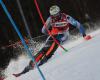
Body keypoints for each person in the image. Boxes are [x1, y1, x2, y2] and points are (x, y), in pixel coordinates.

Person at [13, 5, 91, 77]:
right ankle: (26, 70)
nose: (55, 17)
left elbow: (78, 25)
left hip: (63, 35)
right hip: (53, 34)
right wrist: (50, 32)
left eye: (56, 15)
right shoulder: (50, 19)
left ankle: (41, 64)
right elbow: (43, 30)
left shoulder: (66, 17)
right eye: (53, 15)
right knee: (43, 50)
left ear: (59, 12)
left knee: (50, 49)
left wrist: (84, 35)